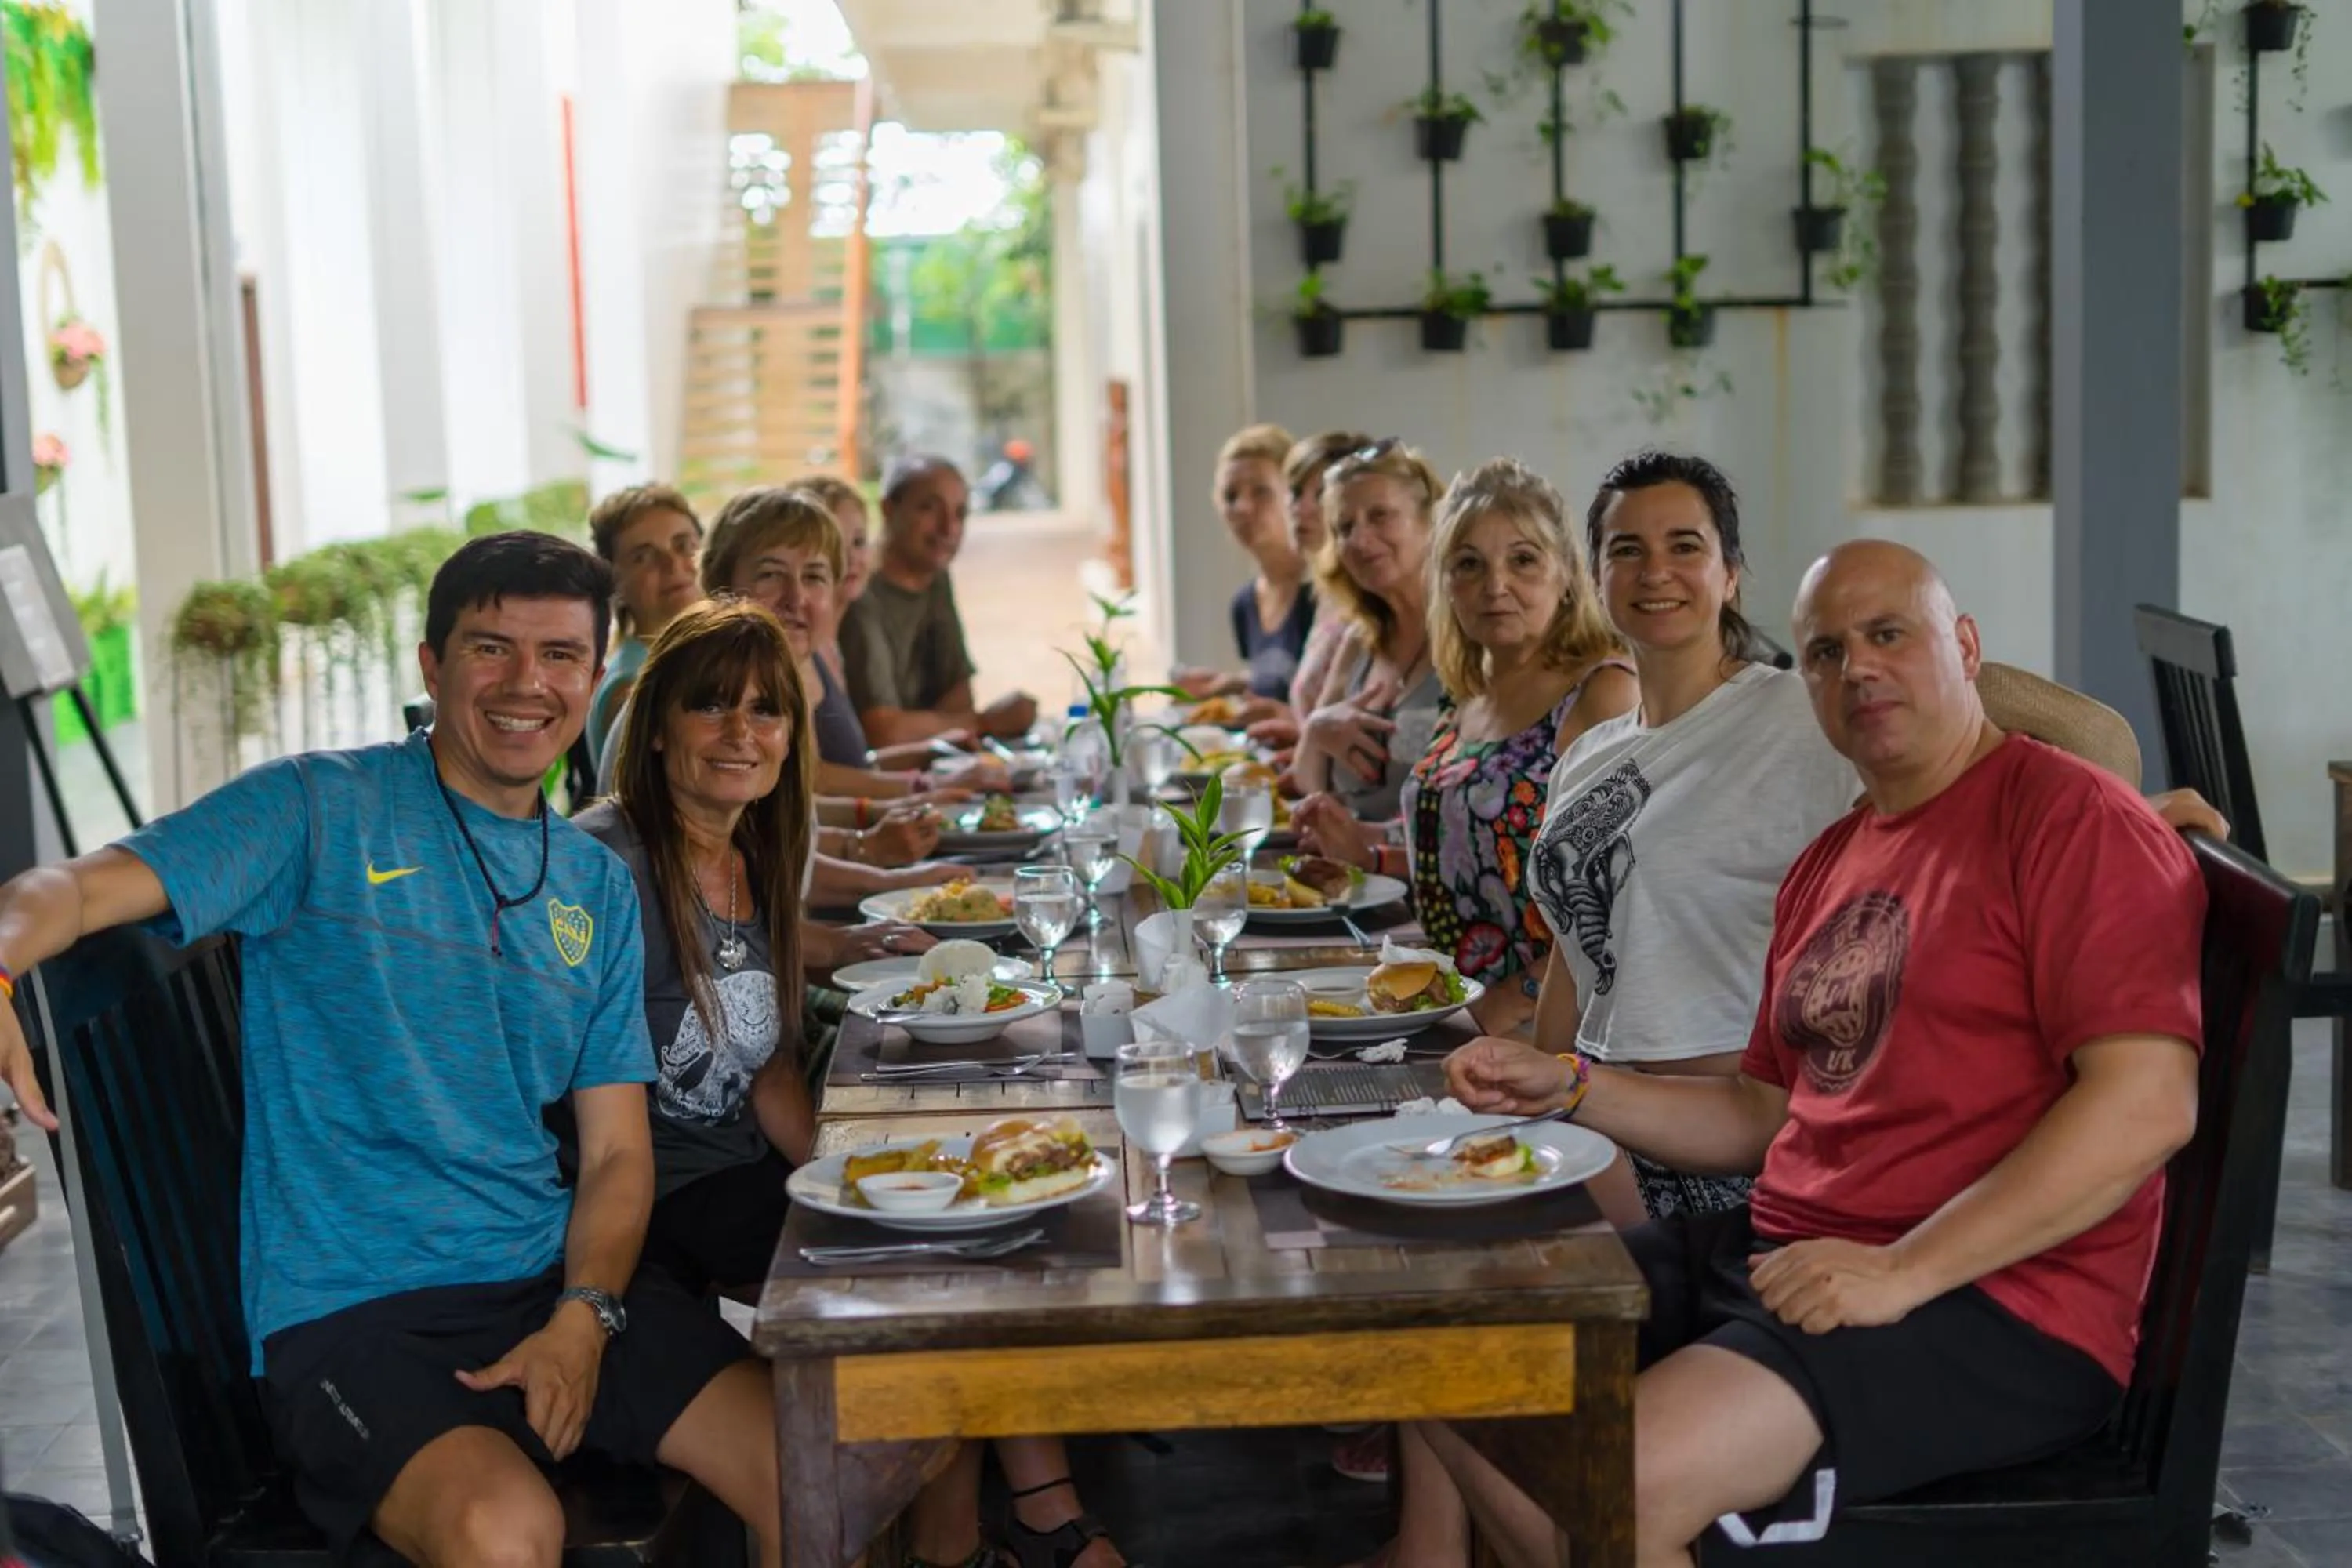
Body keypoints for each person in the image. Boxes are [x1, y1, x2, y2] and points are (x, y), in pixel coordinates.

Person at [1416, 539, 2209, 1568]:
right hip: (1793, 1251)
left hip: (1995, 1299)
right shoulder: (1835, 856)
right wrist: (1572, 1085)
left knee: (1611, 1485)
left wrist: (1904, 1269)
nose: (1857, 669)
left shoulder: (2070, 818)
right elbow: (1762, 1116)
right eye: (1826, 653)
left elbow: (2149, 1105)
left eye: (1889, 635)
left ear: (1963, 648)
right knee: (1435, 1341)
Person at [0, 533, 783, 1566]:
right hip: (358, 1316)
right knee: (508, 1532)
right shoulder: (321, 811)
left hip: (550, 1280)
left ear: (595, 680)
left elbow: (616, 1157)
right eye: (490, 648)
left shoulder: (592, 885)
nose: (524, 684)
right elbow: (79, 887)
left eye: (558, 657)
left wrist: (584, 1318)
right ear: (431, 664)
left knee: (803, 1466)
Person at [1294, 458, 1635, 1039]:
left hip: (1558, 1030)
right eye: (1469, 565)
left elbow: (1629, 898)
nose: (1494, 586)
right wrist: (1364, 845)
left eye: (1523, 560)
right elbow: (1468, 842)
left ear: (1567, 574)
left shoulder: (1601, 691)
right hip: (1446, 1005)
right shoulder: (1470, 688)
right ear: (1445, 583)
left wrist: (1519, 995)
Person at [1291, 438, 1448, 830]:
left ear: (1432, 522)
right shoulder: (1358, 642)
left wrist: (1365, 845)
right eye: (1344, 527)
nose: (1360, 540)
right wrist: (1316, 729)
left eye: (1381, 517)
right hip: (1352, 880)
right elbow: (1307, 782)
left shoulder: (1474, 641)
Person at [840, 455, 1039, 746]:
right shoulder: (860, 593)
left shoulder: (935, 577)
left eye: (960, 513)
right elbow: (883, 731)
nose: (949, 528)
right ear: (888, 509)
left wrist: (946, 725)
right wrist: (986, 722)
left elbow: (959, 698)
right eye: (929, 509)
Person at [1173, 423, 1315, 703]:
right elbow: (1281, 684)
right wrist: (1227, 684)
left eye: (1260, 491)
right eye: (1230, 496)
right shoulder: (1245, 605)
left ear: (1294, 495)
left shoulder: (1325, 594)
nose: (1242, 508)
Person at [586, 484, 704, 770]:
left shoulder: (695, 661)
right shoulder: (631, 686)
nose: (672, 563)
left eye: (683, 545)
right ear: (615, 581)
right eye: (644, 555)